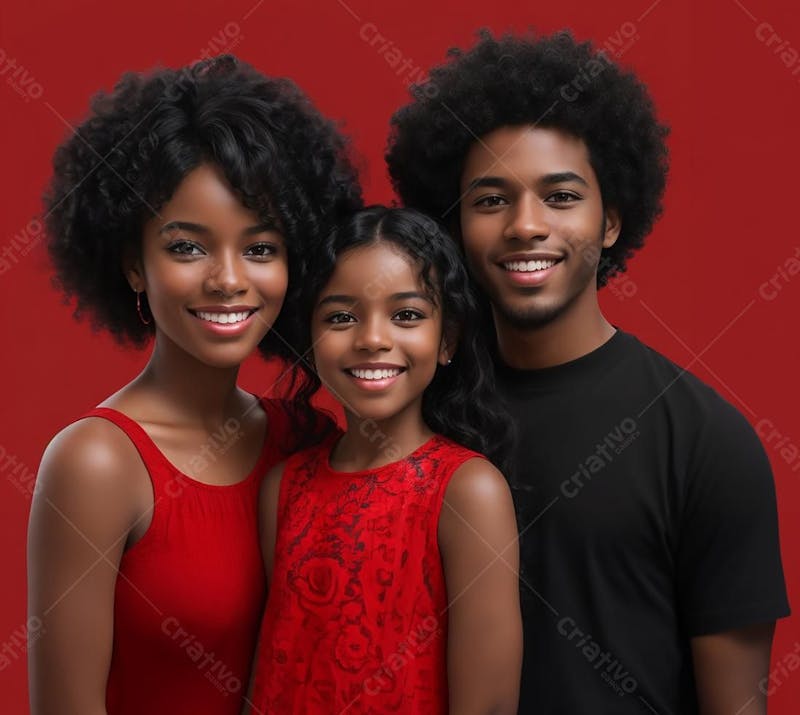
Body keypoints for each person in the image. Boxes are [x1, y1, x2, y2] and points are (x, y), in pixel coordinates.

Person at [386, 30, 790, 715]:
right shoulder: (417, 406)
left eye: (562, 196)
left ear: (610, 222)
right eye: (490, 200)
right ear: (454, 226)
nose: (525, 225)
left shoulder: (704, 441)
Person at [28, 55, 361, 715]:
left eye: (261, 248)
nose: (228, 279)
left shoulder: (310, 439)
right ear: (132, 264)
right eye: (188, 247)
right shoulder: (96, 463)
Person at [248, 206, 522, 714]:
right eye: (341, 317)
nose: (372, 339)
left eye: (407, 315)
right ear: (310, 340)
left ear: (448, 340)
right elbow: (272, 672)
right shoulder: (283, 487)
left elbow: (489, 705)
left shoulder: (468, 491)